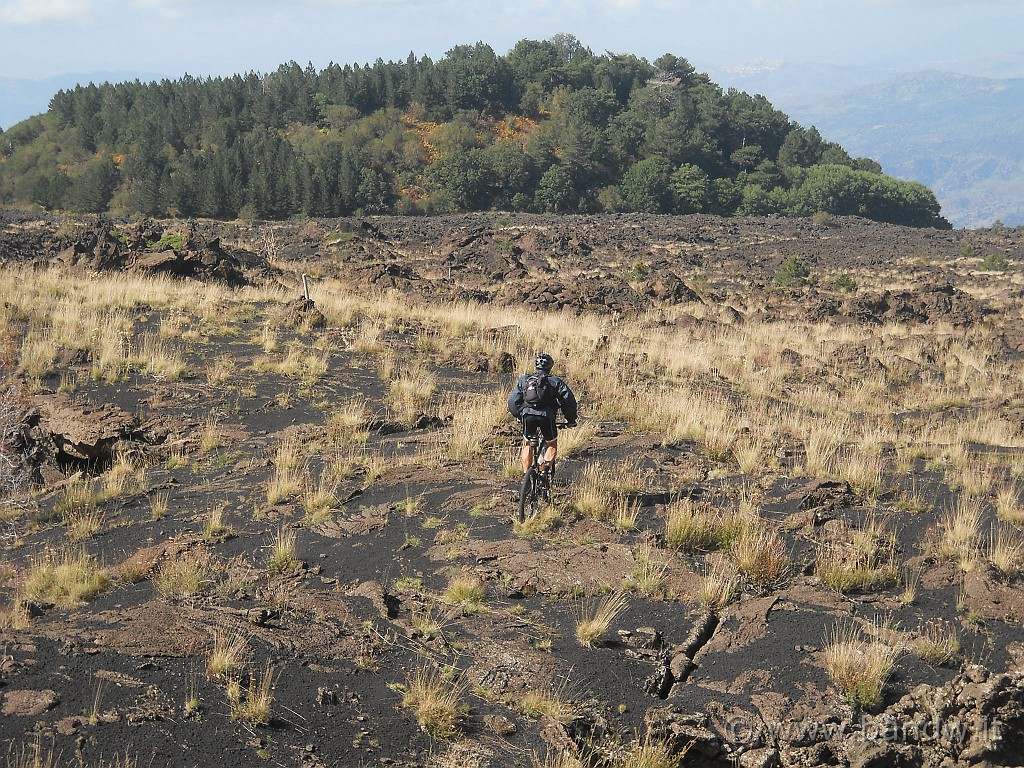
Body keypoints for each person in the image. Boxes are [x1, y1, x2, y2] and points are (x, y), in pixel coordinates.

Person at [507, 353, 578, 476]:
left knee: (527, 443)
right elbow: (568, 401)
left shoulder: (525, 380)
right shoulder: (555, 381)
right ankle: (544, 471)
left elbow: (513, 401)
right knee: (551, 444)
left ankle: (527, 477)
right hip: (547, 416)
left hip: (527, 415)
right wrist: (571, 419)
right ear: (550, 366)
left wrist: (518, 416)